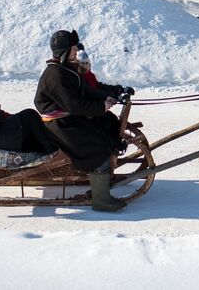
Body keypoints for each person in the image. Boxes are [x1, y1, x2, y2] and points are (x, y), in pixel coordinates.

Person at [34, 30, 133, 212]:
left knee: (105, 125)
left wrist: (111, 96)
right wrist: (101, 106)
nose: (76, 52)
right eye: (72, 48)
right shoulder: (56, 75)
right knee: (97, 146)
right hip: (60, 126)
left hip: (67, 120)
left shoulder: (66, 70)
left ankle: (102, 181)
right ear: (64, 51)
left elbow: (87, 91)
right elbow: (75, 105)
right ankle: (101, 200)